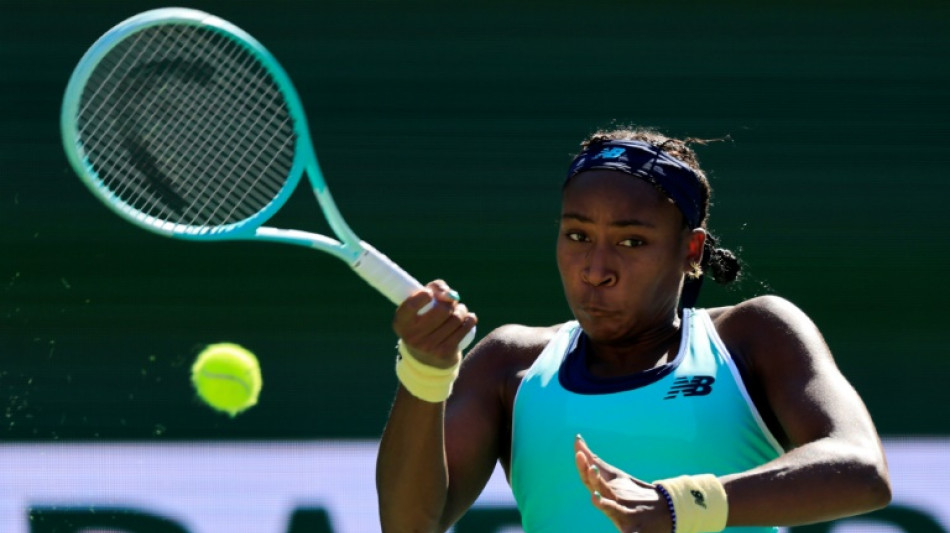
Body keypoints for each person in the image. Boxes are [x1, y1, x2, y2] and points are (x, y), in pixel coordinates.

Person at [376, 127, 891, 533]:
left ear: (690, 251)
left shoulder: (754, 335)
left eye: (630, 242)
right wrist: (424, 371)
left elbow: (860, 468)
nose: (595, 268)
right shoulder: (508, 363)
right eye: (577, 235)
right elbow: (409, 526)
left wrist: (680, 505)